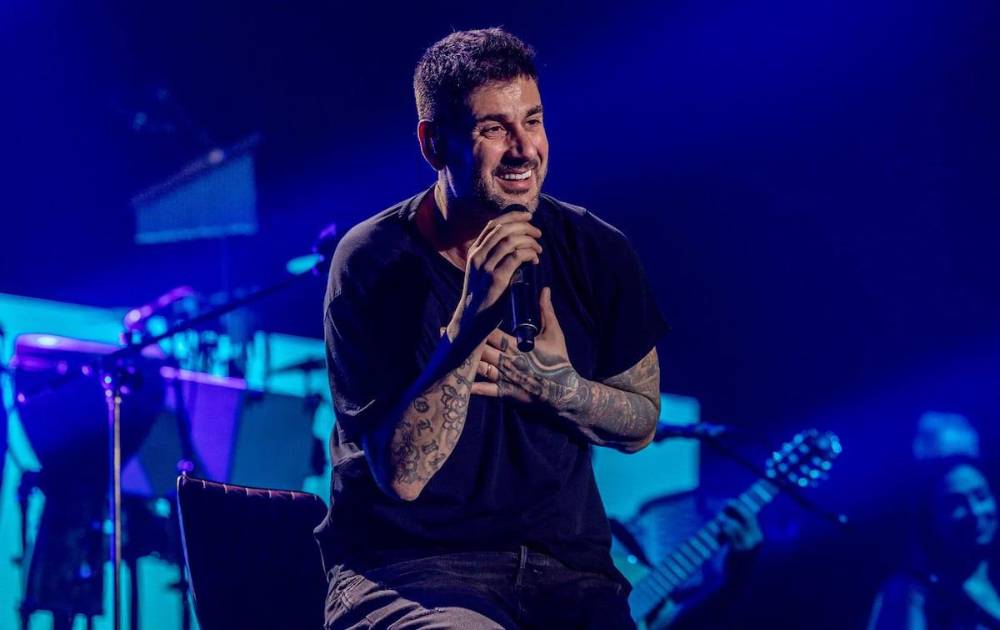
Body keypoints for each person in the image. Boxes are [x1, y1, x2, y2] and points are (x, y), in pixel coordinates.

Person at [315, 27, 668, 629]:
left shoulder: (597, 250)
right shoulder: (373, 259)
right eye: (493, 129)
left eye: (533, 121)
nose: (524, 149)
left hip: (568, 574)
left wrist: (560, 389)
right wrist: (471, 321)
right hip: (411, 571)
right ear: (434, 144)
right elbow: (403, 478)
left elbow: (642, 422)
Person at [868, 456, 1000, 629]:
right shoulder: (912, 590)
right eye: (955, 504)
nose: (975, 512)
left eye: (981, 496)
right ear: (931, 518)